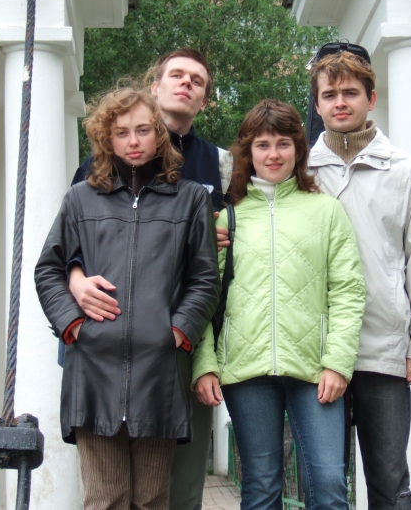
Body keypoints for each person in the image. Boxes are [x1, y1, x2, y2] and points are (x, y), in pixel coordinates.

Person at [34, 88, 220, 510]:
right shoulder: (80, 198)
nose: (133, 141)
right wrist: (75, 326)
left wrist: (176, 333)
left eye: (142, 130)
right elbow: (49, 270)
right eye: (121, 132)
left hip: (159, 373)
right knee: (105, 498)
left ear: (159, 134)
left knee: (152, 499)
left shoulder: (191, 198)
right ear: (107, 139)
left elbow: (205, 279)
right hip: (93, 371)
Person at [193, 99, 366, 510]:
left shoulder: (327, 211)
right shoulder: (228, 217)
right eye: (263, 145)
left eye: (283, 143)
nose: (273, 154)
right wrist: (205, 363)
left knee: (329, 485)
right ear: (248, 152)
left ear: (298, 150)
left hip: (315, 371)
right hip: (246, 371)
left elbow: (347, 290)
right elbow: (205, 295)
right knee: (261, 489)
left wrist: (338, 362)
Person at [308, 51, 411, 510]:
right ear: (318, 104)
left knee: (388, 481)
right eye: (329, 94)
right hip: (317, 350)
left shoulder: (405, 172)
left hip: (383, 348)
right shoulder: (302, 172)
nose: (340, 102)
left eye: (350, 92)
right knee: (324, 483)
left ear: (371, 98)